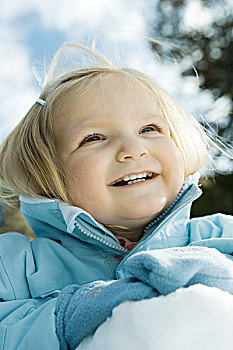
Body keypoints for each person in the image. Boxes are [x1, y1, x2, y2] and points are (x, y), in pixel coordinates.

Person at [0, 44, 232, 350]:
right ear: (48, 174)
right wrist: (68, 314)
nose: (133, 149)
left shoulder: (220, 235)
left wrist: (221, 273)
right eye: (93, 138)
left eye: (149, 128)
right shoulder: (16, 265)